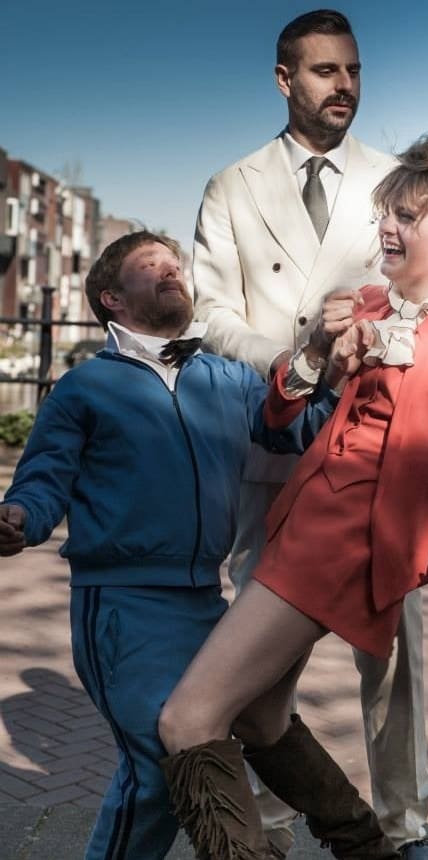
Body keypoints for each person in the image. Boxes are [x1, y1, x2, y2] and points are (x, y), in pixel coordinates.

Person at [158, 134, 428, 860]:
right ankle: (367, 847)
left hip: (350, 540)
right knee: (260, 719)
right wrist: (313, 352)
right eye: (384, 213)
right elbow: (279, 418)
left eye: (405, 217)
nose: (385, 228)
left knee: (187, 719)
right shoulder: (359, 305)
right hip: (302, 518)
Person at [0, 230, 340, 860]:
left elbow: (299, 429)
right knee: (157, 764)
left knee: (214, 741)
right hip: (121, 607)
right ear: (112, 297)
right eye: (149, 264)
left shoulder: (229, 379)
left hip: (208, 602)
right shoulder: (83, 387)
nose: (171, 270)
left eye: (174, 263)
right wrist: (18, 517)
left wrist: (332, 363)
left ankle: (365, 839)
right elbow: (42, 482)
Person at [192, 8, 428, 858]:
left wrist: (375, 346)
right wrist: (292, 360)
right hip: (273, 440)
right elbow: (210, 312)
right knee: (259, 647)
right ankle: (269, 822)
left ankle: (405, 825)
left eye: (354, 70)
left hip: (376, 440)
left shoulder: (396, 180)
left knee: (393, 647)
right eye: (326, 70)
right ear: (283, 79)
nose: (345, 86)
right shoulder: (232, 185)